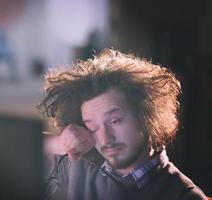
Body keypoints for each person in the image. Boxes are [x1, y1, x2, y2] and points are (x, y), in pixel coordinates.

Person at [38, 49, 208, 200]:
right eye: (92, 126)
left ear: (146, 115)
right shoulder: (81, 165)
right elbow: (15, 147)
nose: (105, 139)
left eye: (114, 121)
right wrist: (60, 142)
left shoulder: (184, 196)